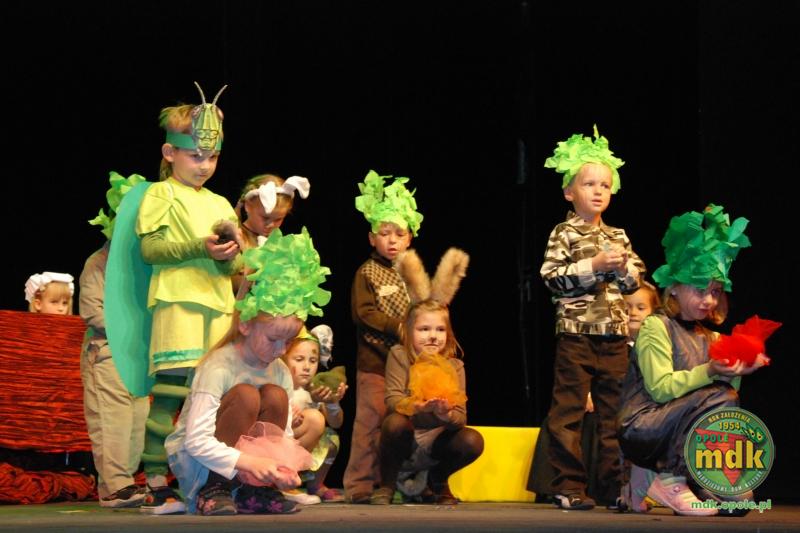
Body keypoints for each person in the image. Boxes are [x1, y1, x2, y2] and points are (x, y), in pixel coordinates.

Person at [165, 226, 332, 515]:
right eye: (273, 339)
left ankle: (254, 491)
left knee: (275, 395)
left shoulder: (279, 371)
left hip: (249, 470)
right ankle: (214, 489)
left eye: (289, 341)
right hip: (201, 467)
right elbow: (196, 441)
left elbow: (282, 436)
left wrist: (281, 469)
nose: (280, 350)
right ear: (245, 325)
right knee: (245, 395)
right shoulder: (219, 366)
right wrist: (250, 462)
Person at [618, 204, 768, 516]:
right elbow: (661, 390)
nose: (709, 300)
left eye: (715, 291)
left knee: (738, 504)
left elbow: (719, 399)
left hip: (677, 431)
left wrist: (737, 370)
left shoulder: (709, 336)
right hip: (643, 426)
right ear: (674, 288)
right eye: (700, 290)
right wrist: (710, 370)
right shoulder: (656, 326)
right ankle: (668, 479)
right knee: (720, 394)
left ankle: (673, 478)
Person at [134, 82, 242, 513]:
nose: (204, 165)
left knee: (213, 400)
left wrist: (229, 257)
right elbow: (151, 249)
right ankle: (156, 480)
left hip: (218, 308)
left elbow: (232, 267)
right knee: (171, 393)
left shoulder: (220, 202)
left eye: (212, 157)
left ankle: (208, 483)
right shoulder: (160, 194)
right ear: (169, 152)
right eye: (195, 156)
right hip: (178, 304)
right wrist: (200, 247)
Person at [540, 125, 645, 510]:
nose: (598, 191)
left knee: (614, 415)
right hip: (576, 335)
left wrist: (621, 268)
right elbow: (552, 277)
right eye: (589, 184)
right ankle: (568, 485)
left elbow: (635, 282)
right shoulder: (563, 233)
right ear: (570, 192)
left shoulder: (619, 235)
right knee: (568, 412)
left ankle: (615, 486)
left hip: (614, 336)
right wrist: (594, 265)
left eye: (605, 185)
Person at [371, 247, 483, 505]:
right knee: (394, 423)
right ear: (410, 331)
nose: (432, 336)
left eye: (439, 330)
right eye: (424, 329)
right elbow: (393, 400)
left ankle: (438, 480)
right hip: (407, 438)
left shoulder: (455, 365)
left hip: (436, 440)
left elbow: (461, 417)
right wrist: (417, 407)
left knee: (472, 440)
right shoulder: (400, 355)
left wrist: (446, 414)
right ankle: (387, 484)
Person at [344, 170, 423, 504]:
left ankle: (393, 483)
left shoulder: (413, 273)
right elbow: (364, 313)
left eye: (399, 234)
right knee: (370, 423)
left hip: (407, 366)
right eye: (384, 233)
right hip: (375, 364)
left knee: (402, 425)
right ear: (371, 238)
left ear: (409, 239)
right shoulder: (367, 272)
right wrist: (398, 327)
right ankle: (359, 485)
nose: (392, 240)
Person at [79, 172, 151, 508]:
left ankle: (123, 483)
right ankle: (114, 486)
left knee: (137, 423)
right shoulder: (97, 264)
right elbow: (93, 312)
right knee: (112, 421)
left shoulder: (143, 267)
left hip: (138, 356)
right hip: (107, 352)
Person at [281, 325, 347, 503]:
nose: (307, 367)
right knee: (315, 419)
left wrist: (332, 402)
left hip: (300, 444)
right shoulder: (278, 386)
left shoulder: (315, 389)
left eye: (312, 360)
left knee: (331, 438)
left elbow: (337, 422)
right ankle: (283, 483)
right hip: (278, 444)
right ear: (283, 357)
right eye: (299, 359)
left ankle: (316, 484)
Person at [619, 281, 661, 512]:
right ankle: (618, 488)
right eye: (626, 308)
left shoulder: (658, 346)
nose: (633, 312)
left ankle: (646, 487)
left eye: (641, 307)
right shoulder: (612, 346)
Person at [232, 174, 310, 293]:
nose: (271, 225)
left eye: (278, 219)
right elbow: (230, 286)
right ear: (247, 206)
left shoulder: (282, 246)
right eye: (265, 217)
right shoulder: (234, 239)